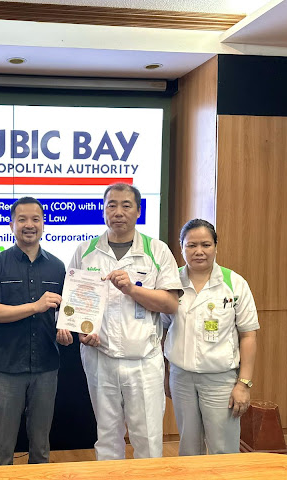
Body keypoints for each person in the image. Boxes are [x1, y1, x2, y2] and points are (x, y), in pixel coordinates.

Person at [58, 183, 182, 459]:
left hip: (144, 360)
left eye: (126, 205)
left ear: (138, 210)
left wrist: (132, 290)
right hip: (99, 358)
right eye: (111, 205)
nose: (118, 211)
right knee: (107, 437)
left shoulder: (157, 251)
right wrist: (80, 331)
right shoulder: (85, 251)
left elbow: (171, 304)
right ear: (103, 211)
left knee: (148, 439)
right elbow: (73, 306)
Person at [0, 197, 65, 465]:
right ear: (11, 224)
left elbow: (66, 311)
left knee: (41, 447)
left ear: (43, 223)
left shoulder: (58, 266)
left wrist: (66, 329)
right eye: (22, 219)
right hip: (7, 366)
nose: (29, 225)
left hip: (46, 366)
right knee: (3, 448)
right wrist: (35, 306)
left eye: (36, 219)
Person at [162, 219, 259, 455]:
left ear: (216, 246)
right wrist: (166, 374)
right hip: (181, 378)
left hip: (221, 381)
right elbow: (163, 331)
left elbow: (248, 335)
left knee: (223, 449)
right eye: (191, 245)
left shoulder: (234, 283)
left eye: (205, 244)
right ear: (181, 247)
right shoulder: (170, 282)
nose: (198, 251)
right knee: (189, 447)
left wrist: (243, 384)